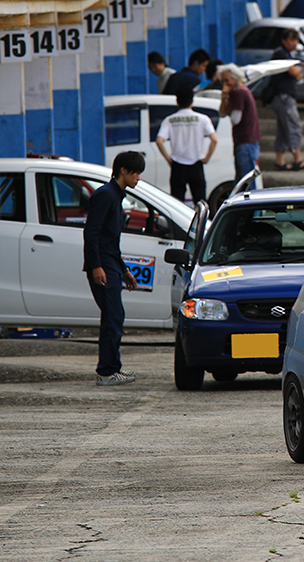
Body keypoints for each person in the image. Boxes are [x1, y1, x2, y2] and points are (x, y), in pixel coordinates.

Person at [83, 151, 145, 386]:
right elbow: (92, 233)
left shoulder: (116, 196)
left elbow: (111, 241)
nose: (138, 177)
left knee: (115, 316)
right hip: (103, 266)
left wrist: (125, 270)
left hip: (111, 264)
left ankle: (112, 368)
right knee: (112, 316)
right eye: (136, 172)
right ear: (123, 171)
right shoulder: (105, 195)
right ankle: (107, 372)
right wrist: (96, 266)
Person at [156, 87, 218, 205]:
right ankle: (201, 223)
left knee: (176, 203)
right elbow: (214, 139)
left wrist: (168, 159)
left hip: (178, 165)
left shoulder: (170, 120)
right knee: (200, 203)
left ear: (177, 101)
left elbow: (159, 141)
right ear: (192, 101)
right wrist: (207, 158)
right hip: (196, 164)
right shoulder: (202, 119)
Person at [270, 27, 304, 171]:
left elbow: (297, 73)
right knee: (294, 127)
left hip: (284, 97)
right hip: (283, 97)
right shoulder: (280, 53)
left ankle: (280, 161)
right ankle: (297, 160)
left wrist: (297, 72)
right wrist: (297, 71)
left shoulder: (287, 53)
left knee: (283, 129)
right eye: (292, 40)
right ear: (284, 40)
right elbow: (295, 71)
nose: (295, 43)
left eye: (296, 40)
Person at [217, 63, 261, 180]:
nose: (225, 84)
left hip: (245, 142)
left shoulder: (239, 93)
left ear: (235, 78)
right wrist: (224, 98)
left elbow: (235, 120)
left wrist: (228, 103)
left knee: (245, 180)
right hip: (247, 142)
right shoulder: (237, 92)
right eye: (223, 81)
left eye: (227, 80)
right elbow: (222, 113)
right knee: (243, 178)